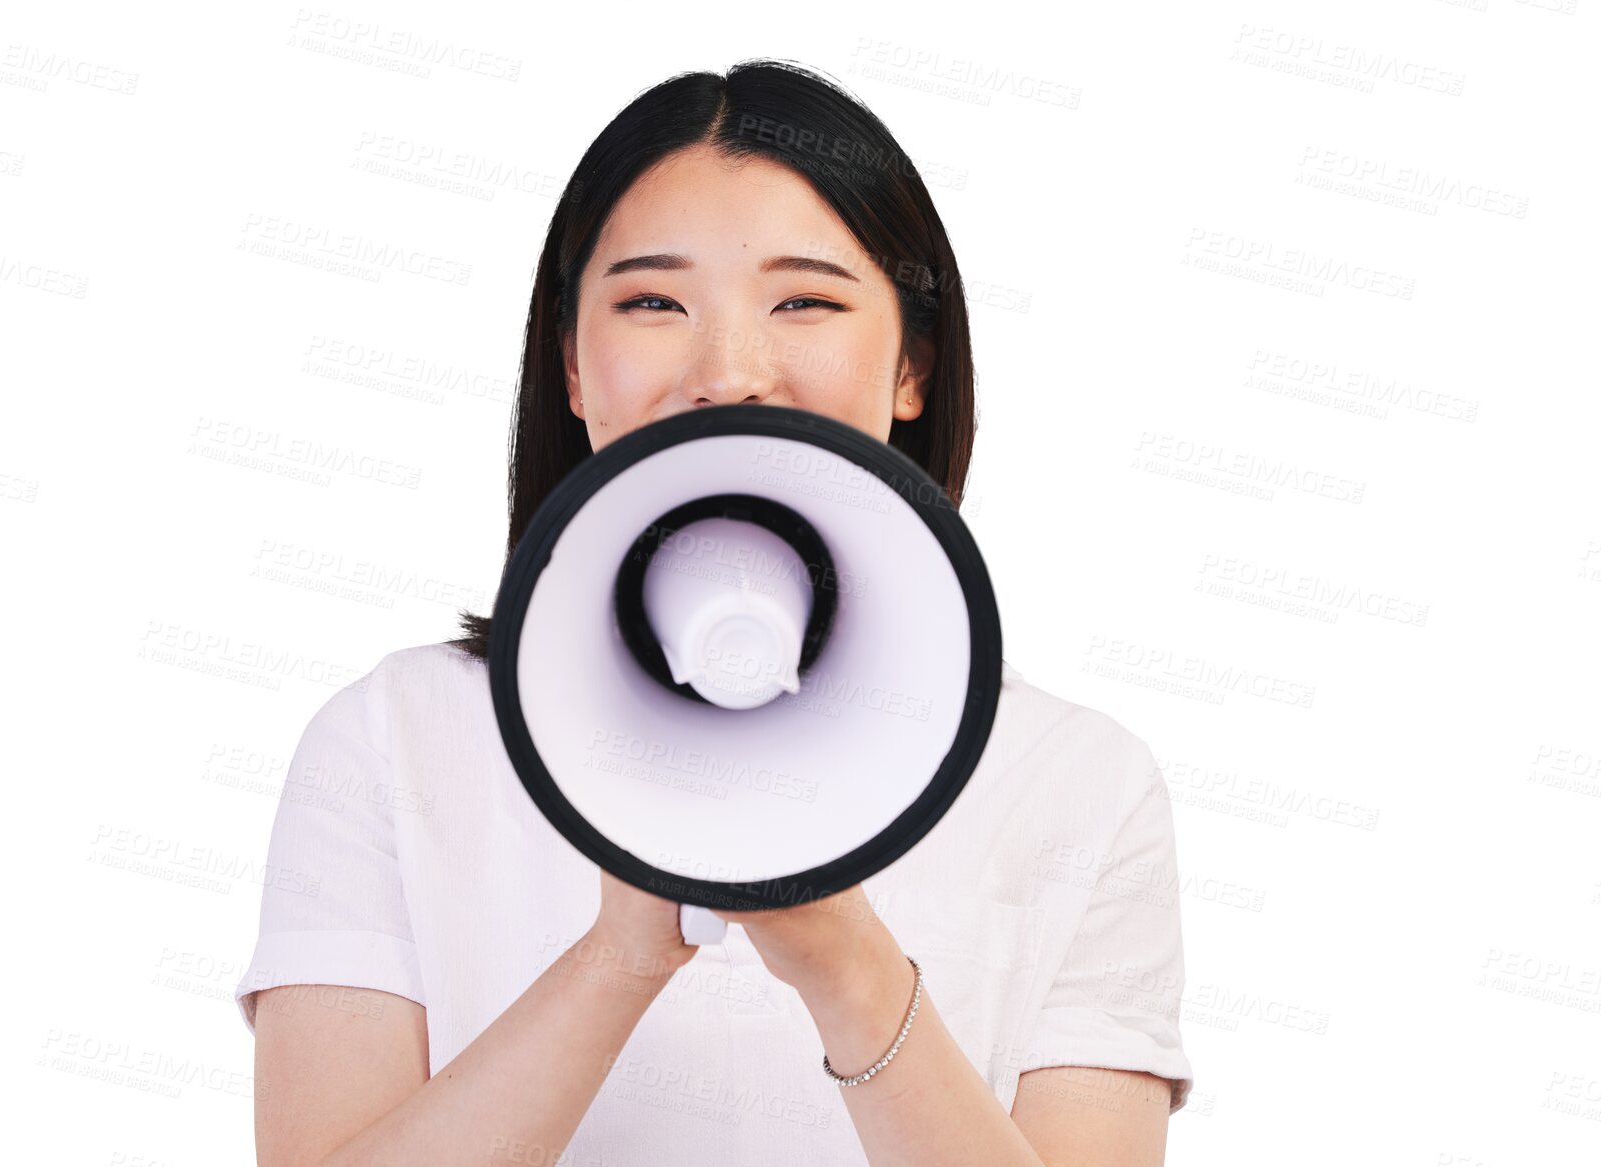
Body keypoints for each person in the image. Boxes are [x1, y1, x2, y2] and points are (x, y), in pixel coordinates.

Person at [234, 58, 1194, 1166]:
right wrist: (621, 955)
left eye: (805, 302)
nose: (729, 372)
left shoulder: (1079, 781)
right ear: (574, 368)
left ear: (910, 366)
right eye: (650, 302)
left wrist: (846, 965)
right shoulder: (392, 738)